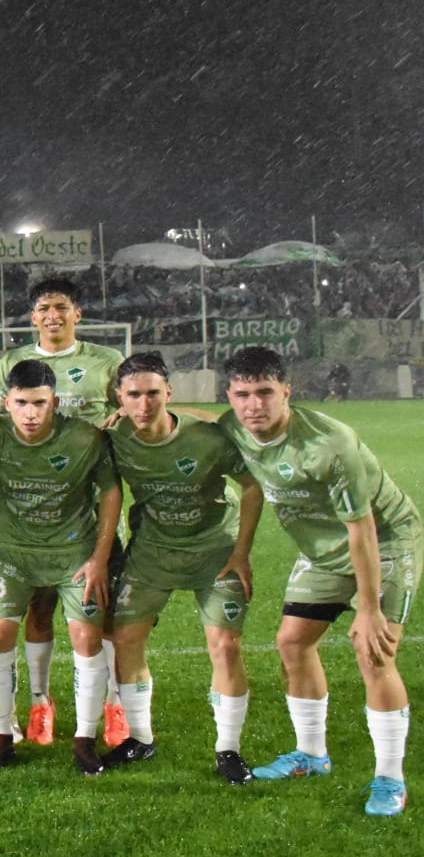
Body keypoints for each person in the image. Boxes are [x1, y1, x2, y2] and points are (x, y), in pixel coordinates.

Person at [217, 346, 420, 817]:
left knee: (374, 652)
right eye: (242, 394)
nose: (254, 406)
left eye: (265, 393)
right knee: (292, 642)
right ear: (228, 396)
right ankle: (312, 754)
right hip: (322, 552)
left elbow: (362, 529)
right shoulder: (233, 427)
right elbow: (183, 419)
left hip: (385, 542)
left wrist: (368, 609)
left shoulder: (331, 443)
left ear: (287, 391)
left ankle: (390, 777)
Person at [0, 278, 128, 749]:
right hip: (31, 509)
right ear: (33, 316)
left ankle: (113, 707)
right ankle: (42, 703)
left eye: (61, 307)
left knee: (100, 619)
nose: (52, 315)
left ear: (77, 313)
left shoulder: (106, 362)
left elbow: (130, 410)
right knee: (38, 611)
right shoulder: (11, 364)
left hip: (85, 508)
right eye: (44, 308)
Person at [104, 353, 263, 783]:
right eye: (133, 395)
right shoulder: (111, 437)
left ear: (168, 394)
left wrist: (242, 552)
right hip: (153, 552)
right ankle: (140, 739)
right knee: (125, 639)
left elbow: (251, 486)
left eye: (153, 393)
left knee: (225, 646)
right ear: (119, 398)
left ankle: (228, 749)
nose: (144, 404)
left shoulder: (208, 439)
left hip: (215, 551)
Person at [0, 359, 121, 776]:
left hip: (74, 554)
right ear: (6, 402)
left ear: (55, 400)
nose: (31, 413)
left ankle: (85, 740)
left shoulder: (84, 437)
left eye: (40, 403)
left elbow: (110, 490)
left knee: (86, 638)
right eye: (21, 403)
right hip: (12, 553)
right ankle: (2, 736)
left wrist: (100, 558)